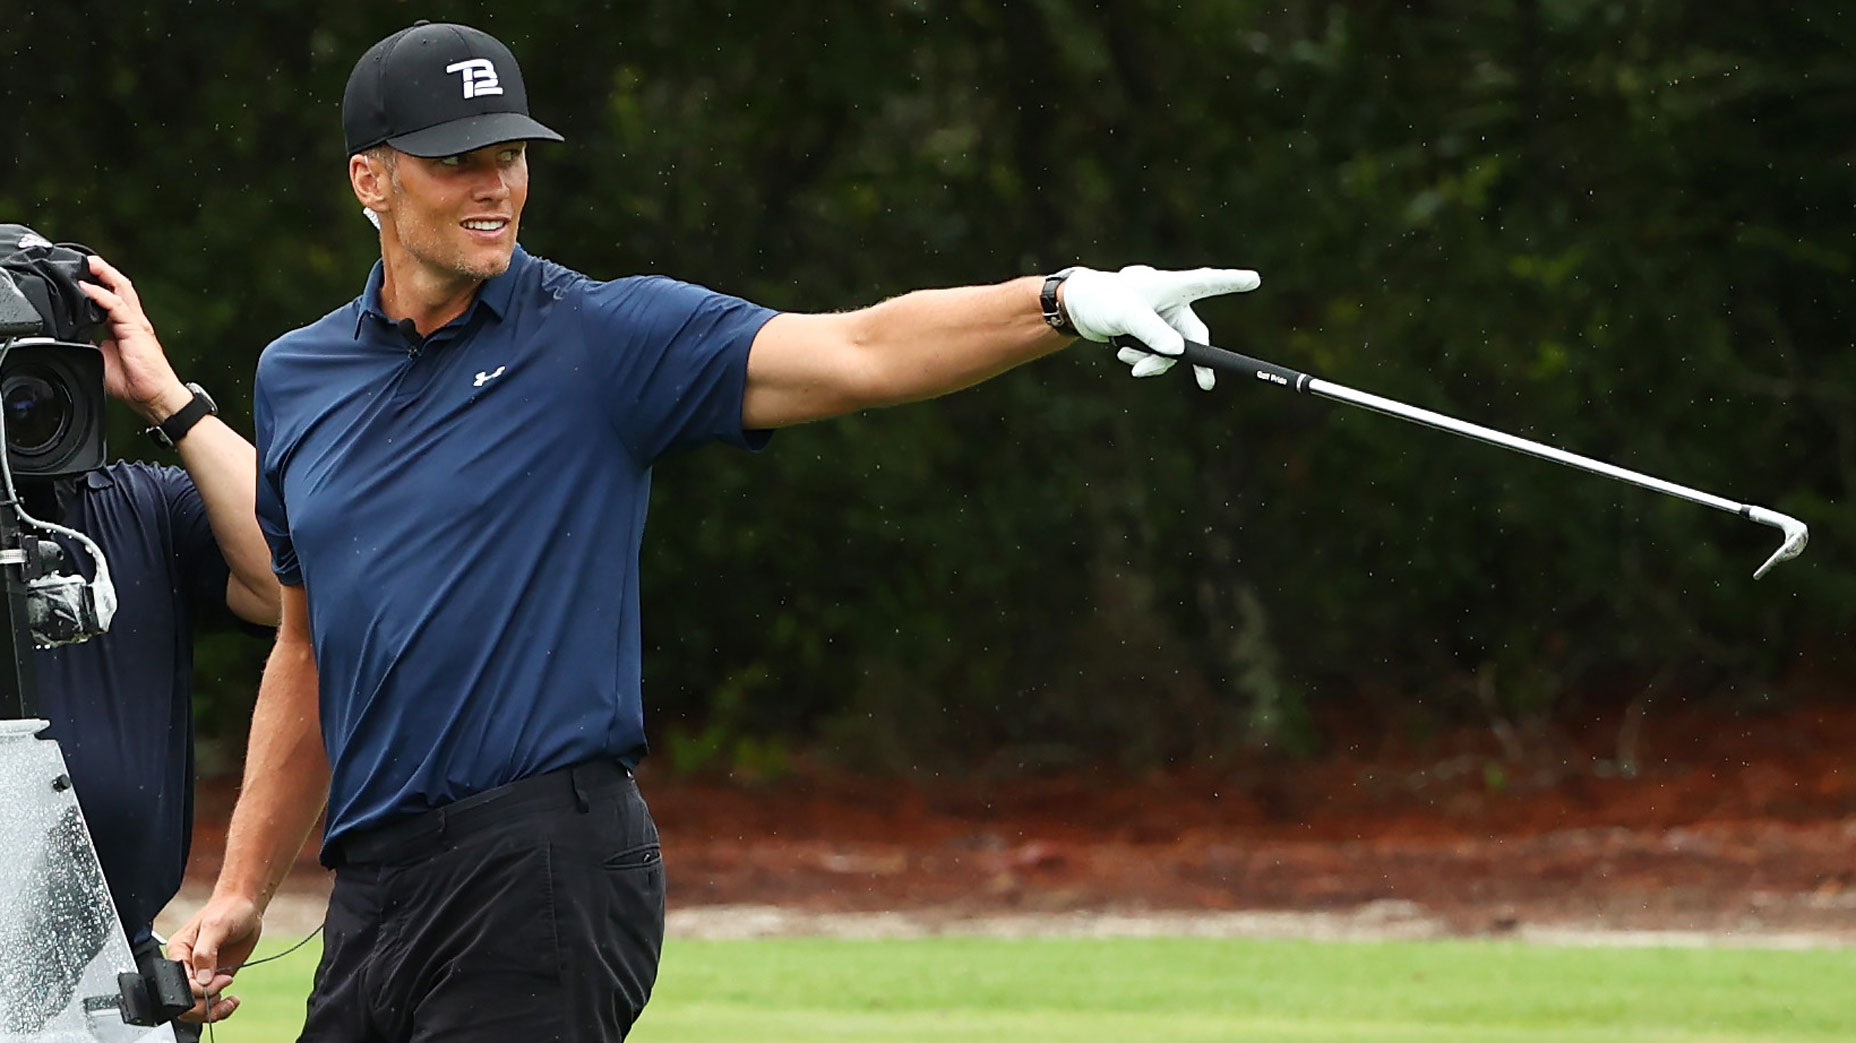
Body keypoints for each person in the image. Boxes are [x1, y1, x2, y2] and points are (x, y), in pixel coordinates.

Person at [170, 20, 1259, 1041]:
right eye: (458, 159)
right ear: (372, 178)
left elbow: (860, 352)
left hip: (543, 859)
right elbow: (308, 648)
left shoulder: (599, 337)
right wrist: (239, 888)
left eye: (509, 153)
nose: (495, 183)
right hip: (374, 882)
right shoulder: (298, 375)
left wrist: (1062, 300)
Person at [25, 249, 282, 1037]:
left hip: (115, 970)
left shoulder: (141, 506)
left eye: (36, 378)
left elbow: (291, 581)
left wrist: (167, 398)